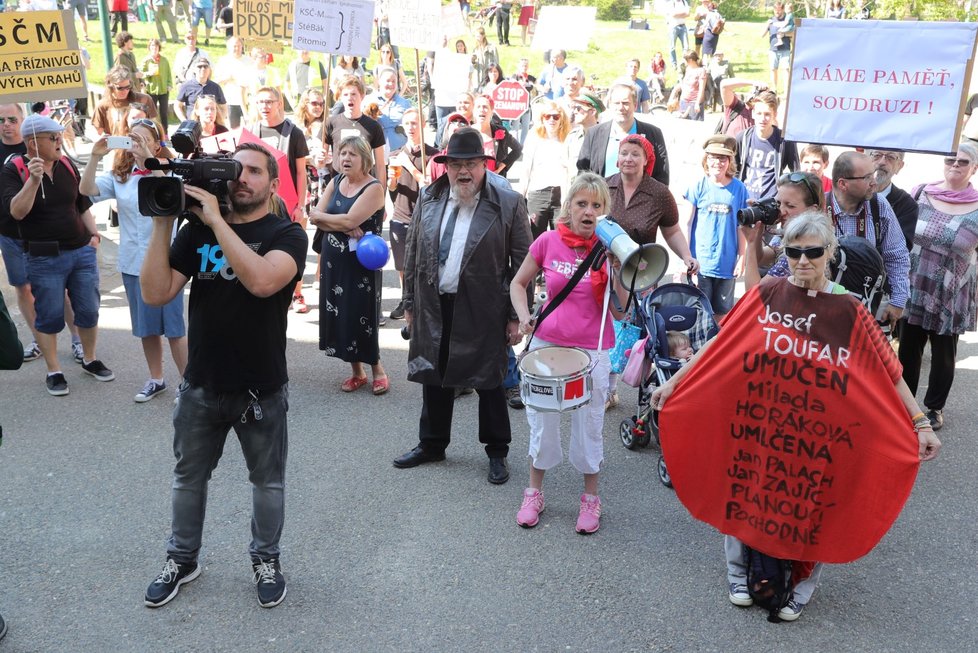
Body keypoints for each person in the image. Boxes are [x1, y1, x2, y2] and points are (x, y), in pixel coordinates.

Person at [652, 211, 940, 622]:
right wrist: (674, 383)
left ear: (830, 253)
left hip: (820, 435)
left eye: (813, 252)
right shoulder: (767, 294)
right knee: (746, 489)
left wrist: (921, 423)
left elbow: (889, 372)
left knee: (815, 503)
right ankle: (738, 572)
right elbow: (720, 346)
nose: (803, 261)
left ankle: (802, 585)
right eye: (794, 252)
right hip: (762, 426)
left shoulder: (849, 310)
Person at [140, 142, 307, 609]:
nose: (242, 178)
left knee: (267, 482)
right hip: (201, 383)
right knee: (188, 478)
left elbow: (262, 281)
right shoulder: (195, 232)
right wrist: (163, 225)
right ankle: (182, 559)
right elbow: (155, 293)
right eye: (236, 168)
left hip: (261, 386)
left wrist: (216, 221)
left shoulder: (287, 234)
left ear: (273, 185)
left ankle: (266, 560)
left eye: (254, 171)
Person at [393, 127, 532, 484]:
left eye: (471, 163)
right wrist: (409, 300)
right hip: (434, 302)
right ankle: (432, 443)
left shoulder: (509, 203)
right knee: (433, 374)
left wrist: (517, 316)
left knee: (489, 379)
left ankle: (497, 452)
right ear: (446, 167)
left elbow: (525, 264)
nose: (463, 171)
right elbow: (413, 251)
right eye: (456, 164)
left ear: (485, 165)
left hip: (485, 305)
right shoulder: (430, 196)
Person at [510, 172, 630, 533]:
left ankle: (590, 498)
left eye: (597, 205)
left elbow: (621, 312)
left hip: (592, 350)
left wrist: (621, 270)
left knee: (589, 425)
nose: (588, 212)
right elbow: (518, 283)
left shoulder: (611, 251)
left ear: (604, 212)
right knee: (542, 421)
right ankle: (534, 492)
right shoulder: (547, 241)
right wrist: (524, 317)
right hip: (548, 347)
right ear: (569, 208)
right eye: (582, 204)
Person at [0, 115, 113, 396]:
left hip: (81, 252)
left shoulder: (65, 163)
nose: (60, 141)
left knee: (88, 310)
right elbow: (17, 211)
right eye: (53, 138)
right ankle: (54, 370)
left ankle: (89, 358)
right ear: (32, 143)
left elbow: (81, 203)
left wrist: (94, 235)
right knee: (49, 316)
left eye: (60, 136)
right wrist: (34, 180)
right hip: (43, 257)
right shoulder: (14, 170)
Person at [80, 119, 187, 403]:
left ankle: (188, 384)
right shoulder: (121, 177)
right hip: (133, 263)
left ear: (156, 143)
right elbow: (86, 189)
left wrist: (150, 162)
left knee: (175, 328)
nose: (135, 144)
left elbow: (173, 200)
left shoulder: (170, 172)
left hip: (167, 261)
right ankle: (156, 378)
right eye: (131, 139)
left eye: (142, 139)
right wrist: (94, 157)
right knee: (146, 328)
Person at [899, 143, 978, 432]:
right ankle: (905, 406)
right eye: (950, 160)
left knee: (944, 353)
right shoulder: (920, 193)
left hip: (951, 290)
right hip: (914, 282)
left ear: (974, 168)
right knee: (908, 348)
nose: (955, 165)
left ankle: (934, 408)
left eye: (962, 162)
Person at [0, 104, 84, 365]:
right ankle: (40, 340)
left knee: (63, 291)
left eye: (12, 119)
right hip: (9, 231)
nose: (6, 124)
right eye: (0, 119)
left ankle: (78, 339)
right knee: (23, 288)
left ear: (23, 122)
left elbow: (77, 197)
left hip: (43, 235)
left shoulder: (43, 144)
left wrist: (89, 233)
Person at [309, 135, 389, 394]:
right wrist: (338, 221)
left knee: (360, 313)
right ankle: (357, 372)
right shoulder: (336, 181)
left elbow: (343, 220)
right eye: (342, 153)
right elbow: (315, 216)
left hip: (360, 263)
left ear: (365, 159)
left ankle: (378, 369)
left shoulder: (374, 188)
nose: (345, 158)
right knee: (340, 313)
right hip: (334, 261)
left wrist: (335, 220)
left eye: (352, 154)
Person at [827, 151, 910, 324]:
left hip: (867, 309)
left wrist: (897, 301)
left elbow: (897, 256)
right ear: (843, 184)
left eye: (872, 174)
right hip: (823, 306)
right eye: (866, 177)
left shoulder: (878, 205)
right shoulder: (818, 206)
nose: (874, 181)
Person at [250, 86, 310, 311]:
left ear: (279, 104)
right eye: (260, 102)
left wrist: (300, 205)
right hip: (261, 203)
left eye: (269, 101)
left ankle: (296, 293)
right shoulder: (252, 131)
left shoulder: (293, 132)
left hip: (288, 201)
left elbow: (301, 172)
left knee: (292, 247)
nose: (264, 106)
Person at [685, 135, 748, 320]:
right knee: (700, 311)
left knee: (722, 311)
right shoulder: (698, 186)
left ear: (730, 161)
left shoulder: (739, 189)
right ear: (706, 159)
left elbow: (741, 226)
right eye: (713, 157)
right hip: (701, 262)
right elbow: (687, 224)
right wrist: (686, 256)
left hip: (727, 263)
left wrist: (742, 257)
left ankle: (716, 344)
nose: (718, 163)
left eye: (723, 158)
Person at [386, 108, 438, 322]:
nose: (411, 127)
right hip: (401, 214)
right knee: (403, 265)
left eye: (415, 123)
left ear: (423, 124)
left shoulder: (433, 155)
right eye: (407, 123)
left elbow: (427, 182)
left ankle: (423, 301)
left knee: (424, 263)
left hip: (425, 216)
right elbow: (391, 189)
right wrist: (391, 180)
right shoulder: (394, 155)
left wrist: (408, 164)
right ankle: (405, 299)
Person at [742, 170, 825, 290]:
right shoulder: (789, 233)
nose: (781, 210)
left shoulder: (800, 247)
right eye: (778, 203)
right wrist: (760, 223)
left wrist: (750, 243)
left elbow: (755, 293)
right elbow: (760, 258)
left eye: (790, 206)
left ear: (812, 210)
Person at [577, 83, 670, 185]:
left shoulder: (653, 134)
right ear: (610, 105)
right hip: (601, 198)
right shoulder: (593, 134)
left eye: (625, 103)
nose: (621, 107)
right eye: (616, 103)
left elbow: (662, 177)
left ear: (635, 106)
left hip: (639, 199)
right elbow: (582, 174)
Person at [735, 90, 798, 201]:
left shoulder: (785, 141)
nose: (763, 118)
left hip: (771, 202)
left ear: (775, 115)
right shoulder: (743, 137)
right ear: (753, 113)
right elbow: (734, 169)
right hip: (745, 199)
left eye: (767, 114)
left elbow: (796, 172)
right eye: (759, 113)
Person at [520, 101, 570, 239]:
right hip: (537, 193)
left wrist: (566, 199)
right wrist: (519, 197)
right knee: (535, 238)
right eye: (547, 116)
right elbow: (525, 169)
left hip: (561, 194)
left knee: (561, 237)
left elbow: (568, 171)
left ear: (562, 119)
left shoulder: (567, 138)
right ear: (542, 118)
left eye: (556, 116)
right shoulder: (533, 136)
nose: (552, 120)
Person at [327, 75, 386, 187]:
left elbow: (380, 165)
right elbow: (321, 159)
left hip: (364, 188)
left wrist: (381, 194)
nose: (350, 98)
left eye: (353, 94)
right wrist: (319, 158)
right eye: (345, 94)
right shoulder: (331, 123)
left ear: (362, 96)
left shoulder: (374, 126)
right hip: (338, 186)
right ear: (340, 98)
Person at [869, 148, 918, 250]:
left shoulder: (907, 205)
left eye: (890, 157)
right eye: (877, 155)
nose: (882, 162)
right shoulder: (852, 193)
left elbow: (900, 249)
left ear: (899, 166)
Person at [93, 66, 159, 136]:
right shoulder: (102, 105)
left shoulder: (144, 99)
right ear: (110, 85)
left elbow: (155, 126)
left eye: (128, 87)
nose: (125, 91)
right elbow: (100, 133)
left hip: (141, 144)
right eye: (120, 88)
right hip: (116, 144)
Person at [471, 94, 522, 178]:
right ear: (473, 111)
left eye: (485, 107)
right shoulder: (466, 133)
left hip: (495, 182)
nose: (481, 110)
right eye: (478, 107)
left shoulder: (500, 130)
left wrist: (503, 165)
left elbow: (518, 149)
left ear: (492, 111)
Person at [368, 67, 411, 153]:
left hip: (400, 152)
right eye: (387, 80)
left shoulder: (405, 103)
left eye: (394, 81)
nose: (391, 83)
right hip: (376, 152)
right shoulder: (368, 101)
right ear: (380, 82)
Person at [564, 93, 603, 186]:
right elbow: (565, 170)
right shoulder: (572, 137)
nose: (574, 112)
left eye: (578, 108)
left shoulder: (605, 137)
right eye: (573, 108)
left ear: (593, 112)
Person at [175, 57, 227, 123]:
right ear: (194, 69)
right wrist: (184, 121)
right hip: (192, 125)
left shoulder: (215, 87)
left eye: (205, 66)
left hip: (211, 125)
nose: (203, 69)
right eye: (199, 66)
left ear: (209, 70)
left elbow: (224, 107)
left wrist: (219, 121)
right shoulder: (186, 86)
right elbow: (177, 106)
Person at [214, 37, 251, 129]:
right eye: (234, 46)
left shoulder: (249, 60)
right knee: (234, 128)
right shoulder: (223, 61)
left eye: (239, 46)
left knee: (251, 127)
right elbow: (216, 81)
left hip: (248, 101)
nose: (237, 49)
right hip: (231, 100)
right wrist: (228, 78)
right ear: (229, 47)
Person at [141, 39, 173, 132]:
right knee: (152, 113)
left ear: (159, 47)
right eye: (152, 46)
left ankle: (165, 132)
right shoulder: (146, 61)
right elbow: (141, 74)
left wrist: (169, 84)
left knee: (164, 112)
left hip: (163, 90)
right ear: (149, 47)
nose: (154, 48)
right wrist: (149, 73)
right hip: (151, 90)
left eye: (156, 46)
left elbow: (168, 73)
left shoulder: (164, 60)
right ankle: (153, 132)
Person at [764, 2, 794, 92]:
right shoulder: (771, 20)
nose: (777, 12)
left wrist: (783, 34)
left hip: (785, 48)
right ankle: (774, 90)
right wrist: (767, 25)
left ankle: (787, 91)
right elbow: (762, 35)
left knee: (786, 70)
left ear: (782, 10)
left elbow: (793, 33)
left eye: (779, 10)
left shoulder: (788, 19)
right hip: (773, 49)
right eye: (775, 10)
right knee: (773, 69)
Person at [677, 50, 707, 121]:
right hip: (684, 101)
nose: (684, 62)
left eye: (685, 60)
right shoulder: (688, 69)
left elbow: (701, 89)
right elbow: (684, 85)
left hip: (694, 103)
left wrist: (697, 103)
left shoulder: (701, 71)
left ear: (690, 60)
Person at [665, 0, 691, 70]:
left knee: (686, 47)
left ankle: (684, 63)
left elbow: (688, 14)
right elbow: (673, 14)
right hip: (673, 27)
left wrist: (678, 14)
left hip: (683, 26)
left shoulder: (684, 2)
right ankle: (674, 63)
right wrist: (683, 14)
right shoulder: (671, 3)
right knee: (672, 47)